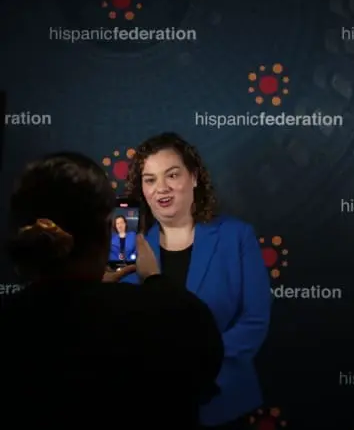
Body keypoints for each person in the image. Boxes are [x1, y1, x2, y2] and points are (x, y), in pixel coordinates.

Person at [0, 152, 224, 428]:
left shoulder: (11, 321)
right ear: (108, 228)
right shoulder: (171, 318)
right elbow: (203, 361)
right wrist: (154, 278)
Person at [121, 132, 271, 429]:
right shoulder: (128, 247)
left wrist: (197, 366)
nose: (161, 188)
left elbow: (254, 320)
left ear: (194, 177)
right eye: (150, 180)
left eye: (172, 175)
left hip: (222, 400)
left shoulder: (236, 236)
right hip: (150, 404)